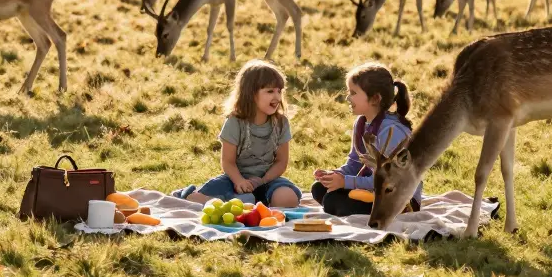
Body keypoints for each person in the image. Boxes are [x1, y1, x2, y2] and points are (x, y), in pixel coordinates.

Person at [171, 59, 301, 208]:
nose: (277, 97)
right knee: (242, 202)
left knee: (288, 200)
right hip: (235, 179)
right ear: (251, 93)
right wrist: (239, 181)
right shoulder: (235, 122)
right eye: (270, 91)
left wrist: (262, 180)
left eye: (279, 91)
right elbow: (228, 161)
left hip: (268, 180)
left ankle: (260, 201)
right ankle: (190, 195)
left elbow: (281, 162)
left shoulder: (281, 123)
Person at [311, 62, 422, 215]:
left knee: (332, 201)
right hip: (372, 189)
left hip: (398, 197)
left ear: (375, 99)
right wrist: (334, 175)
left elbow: (387, 180)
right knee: (319, 188)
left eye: (353, 93)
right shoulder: (361, 123)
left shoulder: (392, 132)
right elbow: (355, 163)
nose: (348, 98)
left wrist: (345, 182)